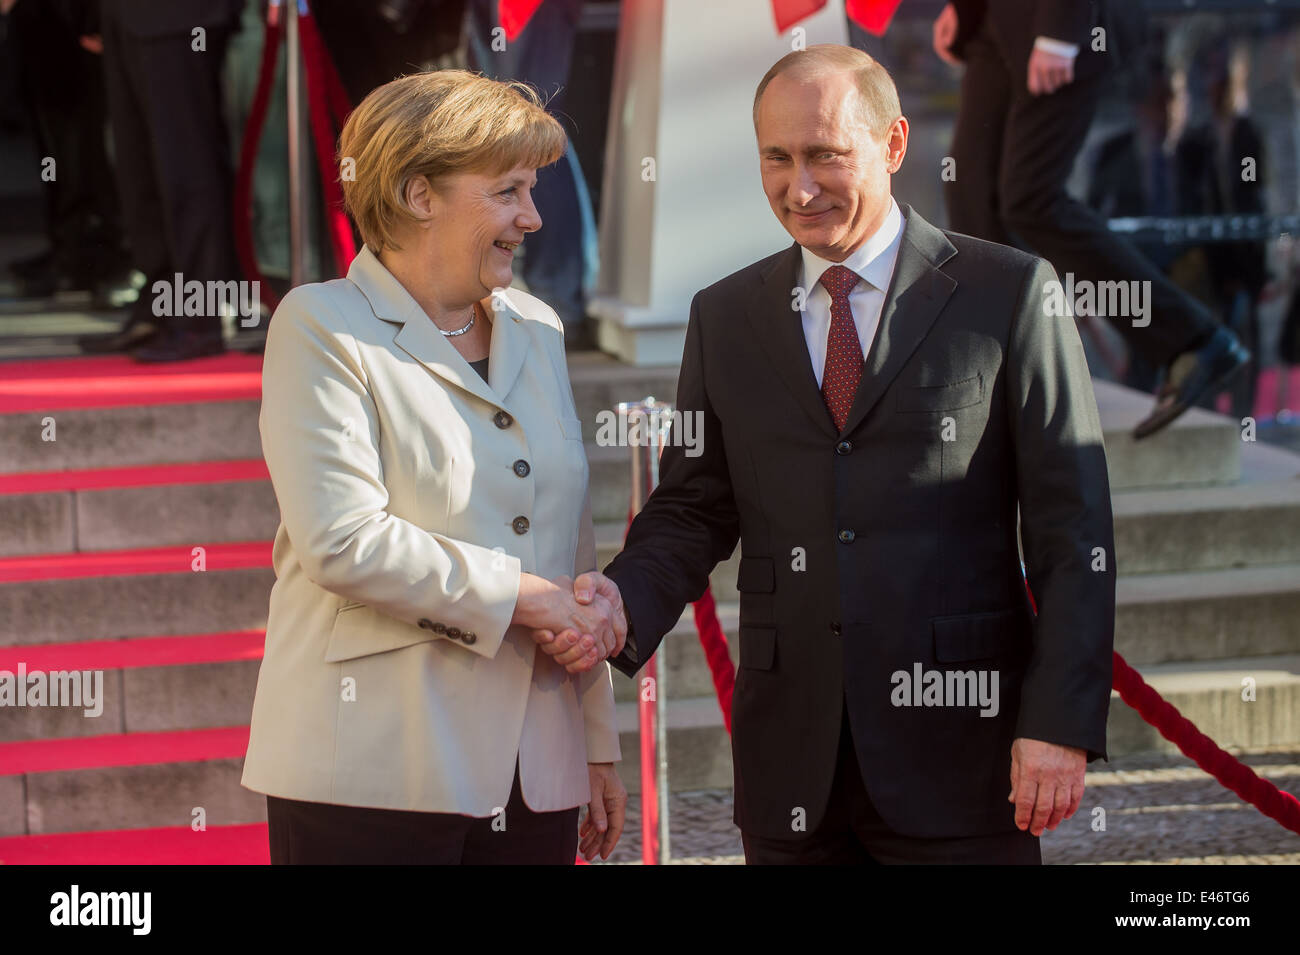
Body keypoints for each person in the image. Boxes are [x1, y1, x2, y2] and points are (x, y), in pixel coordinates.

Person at [561, 44, 1116, 864]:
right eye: (777, 159)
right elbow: (692, 506)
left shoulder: (1010, 293)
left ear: (893, 145)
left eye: (825, 154)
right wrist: (617, 605)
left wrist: (1058, 724)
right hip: (792, 771)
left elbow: (1075, 534)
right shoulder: (725, 316)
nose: (801, 186)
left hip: (965, 763)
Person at [241, 70, 627, 865]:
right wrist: (526, 597)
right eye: (509, 192)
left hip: (533, 774)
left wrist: (595, 743)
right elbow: (343, 540)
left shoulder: (538, 326)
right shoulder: (320, 324)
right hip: (372, 771)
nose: (533, 216)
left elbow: (571, 549)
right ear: (419, 194)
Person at [933, 0, 1249, 439]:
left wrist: (1063, 26)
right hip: (996, 19)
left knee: (1031, 199)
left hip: (1063, 17)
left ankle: (1194, 340)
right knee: (970, 192)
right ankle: (999, 371)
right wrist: (965, 10)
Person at [77, 0, 245, 361]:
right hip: (124, 14)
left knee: (187, 167)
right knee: (139, 169)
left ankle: (202, 316)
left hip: (179, 15)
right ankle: (160, 305)